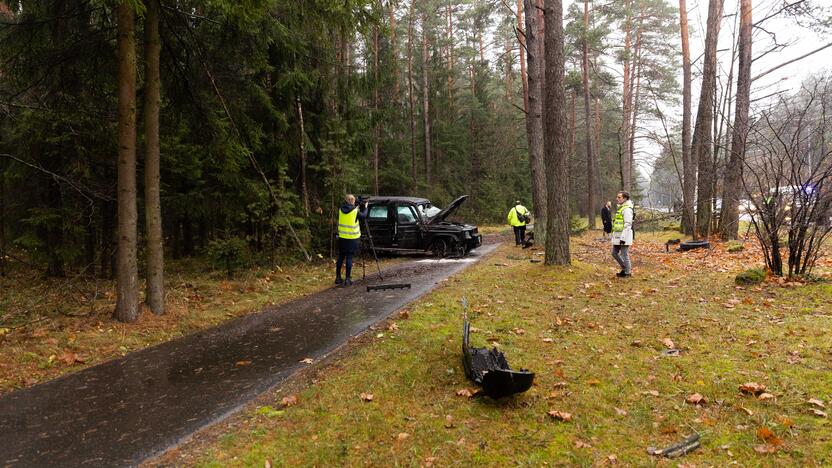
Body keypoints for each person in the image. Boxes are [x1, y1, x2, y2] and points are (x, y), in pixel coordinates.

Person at [335, 194, 368, 286]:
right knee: (349, 257)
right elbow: (363, 216)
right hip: (352, 238)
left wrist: (356, 207)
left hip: (342, 237)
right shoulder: (355, 211)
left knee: (341, 257)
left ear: (345, 201)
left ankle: (338, 278)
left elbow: (349, 213)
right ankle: (347, 279)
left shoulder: (341, 210)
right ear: (353, 201)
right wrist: (365, 208)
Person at [611, 191, 634, 278]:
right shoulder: (621, 208)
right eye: (617, 197)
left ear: (625, 198)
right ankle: (625, 269)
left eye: (619, 197)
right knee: (614, 253)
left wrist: (623, 238)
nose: (617, 199)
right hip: (618, 236)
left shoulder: (627, 209)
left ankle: (627, 272)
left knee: (624, 253)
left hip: (624, 236)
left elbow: (628, 224)